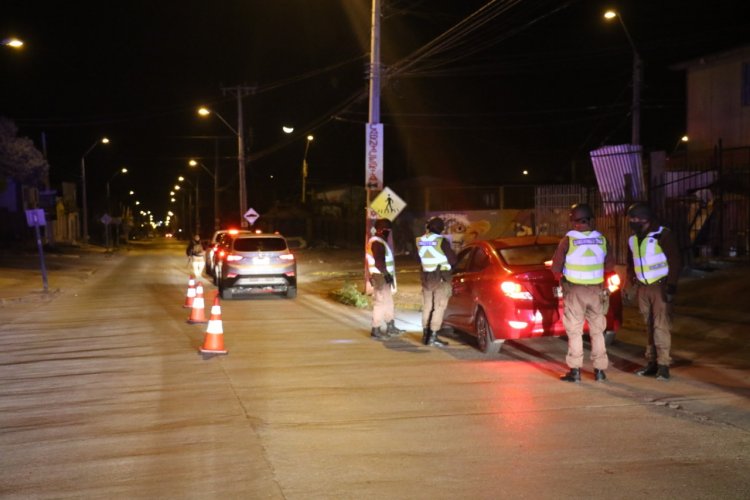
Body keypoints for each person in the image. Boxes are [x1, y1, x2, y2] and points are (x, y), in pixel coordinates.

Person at [551, 203, 614, 383]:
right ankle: (600, 371)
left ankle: (575, 371)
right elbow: (609, 266)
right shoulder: (602, 240)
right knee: (597, 332)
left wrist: (562, 279)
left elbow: (556, 268)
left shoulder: (568, 241)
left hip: (575, 291)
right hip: (596, 291)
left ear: (573, 221)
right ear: (591, 220)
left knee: (575, 331)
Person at [626, 202, 682, 381]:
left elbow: (675, 261)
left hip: (660, 287)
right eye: (631, 218)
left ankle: (664, 365)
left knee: (661, 326)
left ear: (645, 218)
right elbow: (630, 263)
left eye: (635, 218)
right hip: (643, 287)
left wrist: (671, 286)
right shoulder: (633, 239)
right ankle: (651, 363)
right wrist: (631, 284)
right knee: (649, 327)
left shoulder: (663, 235)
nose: (632, 221)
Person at [416, 216, 457, 347]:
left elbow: (419, 257)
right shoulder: (441, 241)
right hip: (441, 278)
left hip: (427, 278)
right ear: (441, 229)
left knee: (427, 307)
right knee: (439, 307)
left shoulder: (420, 240)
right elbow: (452, 260)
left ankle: (425, 335)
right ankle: (433, 336)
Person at [366, 219, 405, 340]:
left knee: (388, 302)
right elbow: (379, 262)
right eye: (387, 231)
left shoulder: (379, 241)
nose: (389, 233)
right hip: (380, 277)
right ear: (382, 230)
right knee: (380, 303)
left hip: (383, 276)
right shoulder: (377, 242)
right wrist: (386, 274)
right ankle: (376, 329)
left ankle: (390, 326)